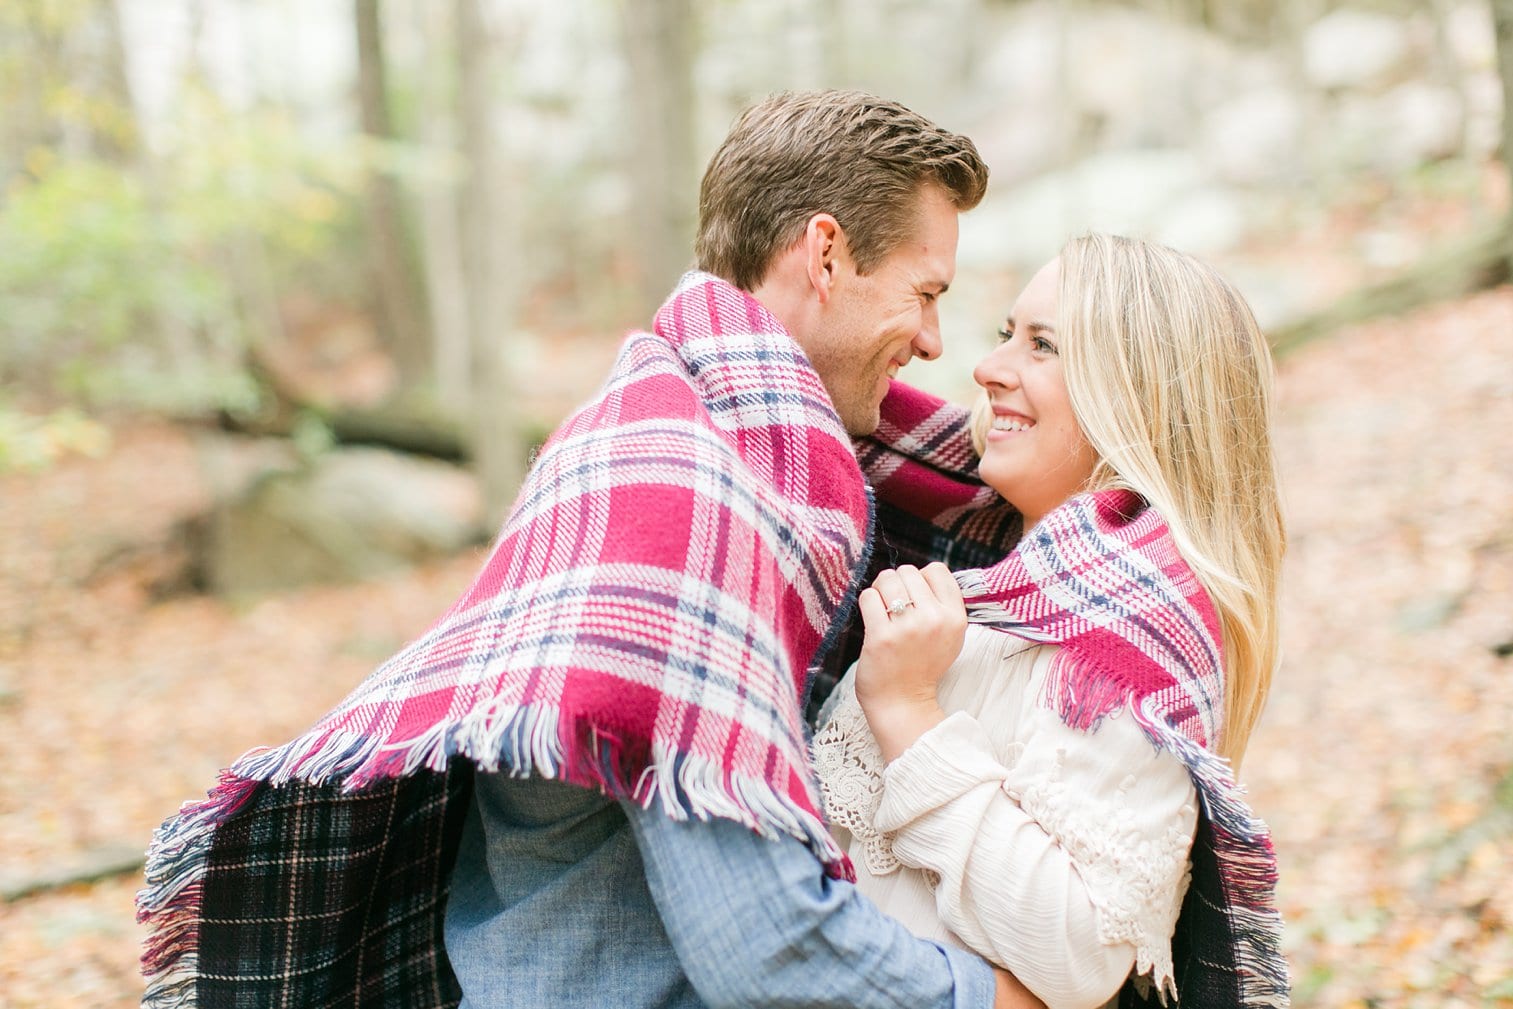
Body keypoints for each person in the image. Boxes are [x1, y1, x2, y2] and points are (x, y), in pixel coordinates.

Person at [137, 90, 1043, 1009]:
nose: (933, 340)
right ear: (824, 254)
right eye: (924, 294)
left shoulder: (672, 437)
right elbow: (771, 948)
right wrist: (998, 999)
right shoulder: (684, 504)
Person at [813, 234, 1292, 1009]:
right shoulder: (1000, 576)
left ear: (1135, 394)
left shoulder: (1127, 639)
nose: (989, 367)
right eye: (1007, 334)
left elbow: (1079, 953)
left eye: (1043, 345)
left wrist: (906, 711)